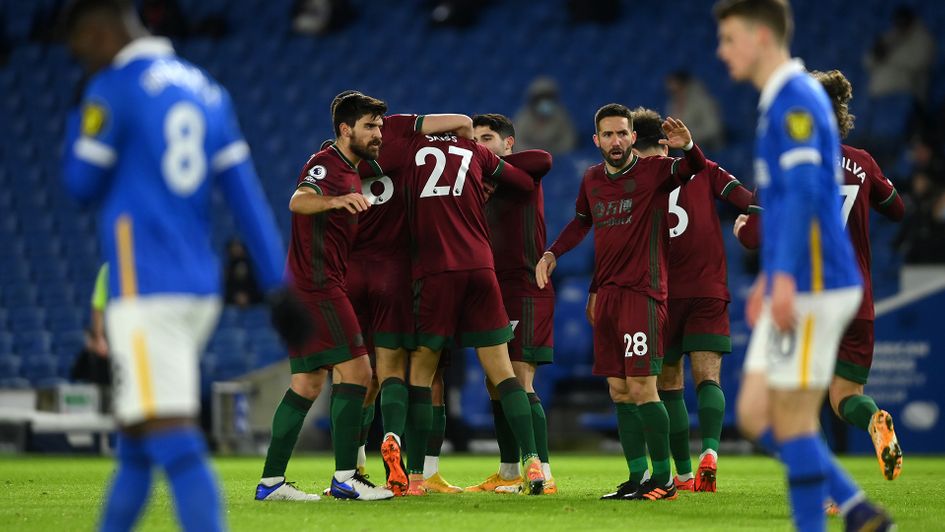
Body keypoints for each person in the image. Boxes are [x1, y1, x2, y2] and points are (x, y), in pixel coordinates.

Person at [62, 0, 311, 529]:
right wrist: (278, 287)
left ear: (100, 28)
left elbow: (79, 184)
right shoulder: (207, 91)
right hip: (198, 287)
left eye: (78, 42)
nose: (75, 54)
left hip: (146, 285)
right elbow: (244, 196)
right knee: (135, 444)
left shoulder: (115, 87)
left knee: (176, 445)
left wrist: (79, 116)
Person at [714, 1, 894, 530]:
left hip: (816, 282)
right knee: (753, 415)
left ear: (762, 37)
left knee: (786, 419)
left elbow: (804, 194)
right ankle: (859, 509)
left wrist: (783, 276)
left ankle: (835, 517)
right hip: (801, 277)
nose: (721, 52)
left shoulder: (794, 100)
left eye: (729, 39)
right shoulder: (781, 98)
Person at [734, 69, 905, 483]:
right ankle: (873, 424)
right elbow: (897, 209)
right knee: (847, 396)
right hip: (856, 297)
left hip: (807, 297)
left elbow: (756, 237)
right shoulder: (862, 161)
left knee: (793, 406)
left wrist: (741, 227)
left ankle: (825, 487)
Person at [536, 103, 707, 501]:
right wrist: (552, 253)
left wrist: (689, 146)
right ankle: (636, 477)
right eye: (608, 135)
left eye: (622, 134)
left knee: (644, 388)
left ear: (633, 137)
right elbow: (581, 222)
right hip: (609, 295)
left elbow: (692, 168)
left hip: (642, 293)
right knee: (618, 389)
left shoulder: (653, 172)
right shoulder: (592, 179)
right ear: (597, 140)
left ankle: (664, 480)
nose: (616, 141)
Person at [371, 115, 548, 496]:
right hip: (481, 271)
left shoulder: (409, 152)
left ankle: (416, 476)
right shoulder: (474, 152)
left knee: (423, 373)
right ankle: (532, 461)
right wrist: (487, 179)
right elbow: (524, 179)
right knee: (503, 373)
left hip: (434, 274)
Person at [588, 107, 756, 493]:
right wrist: (756, 223)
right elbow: (748, 201)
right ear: (665, 143)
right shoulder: (701, 170)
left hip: (653, 295)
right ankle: (709, 453)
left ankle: (679, 473)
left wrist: (596, 287)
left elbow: (610, 242)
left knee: (667, 385)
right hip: (707, 288)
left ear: (633, 140)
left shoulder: (631, 180)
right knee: (708, 378)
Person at [255, 92, 395, 502]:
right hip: (316, 286)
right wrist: (335, 200)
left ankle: (271, 483)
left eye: (380, 126)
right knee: (358, 373)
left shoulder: (354, 169)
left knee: (307, 382)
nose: (379, 134)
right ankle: (346, 478)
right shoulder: (327, 164)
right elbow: (298, 201)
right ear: (345, 129)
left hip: (306, 286)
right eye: (370, 126)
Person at [348, 97, 476, 495]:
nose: (379, 131)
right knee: (395, 371)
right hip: (397, 272)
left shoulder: (336, 158)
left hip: (350, 272)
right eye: (374, 125)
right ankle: (396, 443)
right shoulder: (403, 134)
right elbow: (462, 121)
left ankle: (351, 466)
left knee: (353, 377)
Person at [467, 113, 557, 495]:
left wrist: (488, 162)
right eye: (473, 139)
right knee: (494, 383)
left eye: (486, 137)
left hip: (525, 285)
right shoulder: (474, 183)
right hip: (492, 290)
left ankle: (544, 473)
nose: (478, 144)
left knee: (519, 379)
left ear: (508, 143)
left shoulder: (524, 173)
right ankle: (507, 474)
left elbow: (544, 158)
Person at [864, 6, 934, 105]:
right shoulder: (890, 35)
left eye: (903, 22)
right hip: (879, 94)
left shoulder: (923, 38)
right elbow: (868, 62)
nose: (900, 26)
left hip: (904, 94)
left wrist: (888, 55)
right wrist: (877, 54)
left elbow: (918, 62)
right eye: (898, 23)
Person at [513, 77, 577, 154]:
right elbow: (516, 142)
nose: (546, 102)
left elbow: (568, 141)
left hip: (556, 157)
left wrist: (553, 152)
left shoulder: (561, 117)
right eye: (542, 99)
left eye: (549, 98)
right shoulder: (523, 118)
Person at [665, 71, 726, 151]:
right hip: (684, 146)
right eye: (672, 92)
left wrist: (688, 137)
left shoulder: (702, 101)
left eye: (678, 89)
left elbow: (712, 128)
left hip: (708, 145)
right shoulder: (672, 104)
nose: (675, 94)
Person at [223, 238, 263, 307]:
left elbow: (260, 285)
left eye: (238, 247)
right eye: (233, 247)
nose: (236, 250)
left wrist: (249, 297)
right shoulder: (226, 267)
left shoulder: (254, 266)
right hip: (232, 303)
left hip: (255, 302)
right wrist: (235, 297)